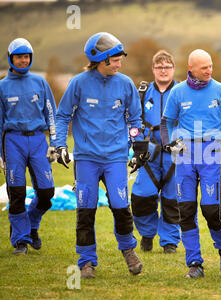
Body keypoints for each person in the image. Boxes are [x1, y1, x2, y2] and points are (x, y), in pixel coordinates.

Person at [55, 32, 144, 278]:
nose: (119, 64)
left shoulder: (125, 84)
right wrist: (60, 145)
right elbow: (63, 115)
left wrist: (138, 147)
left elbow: (135, 119)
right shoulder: (78, 83)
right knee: (86, 209)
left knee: (121, 207)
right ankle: (86, 262)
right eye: (114, 60)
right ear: (101, 60)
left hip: (116, 157)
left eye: (119, 60)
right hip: (86, 158)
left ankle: (128, 250)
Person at [160, 49, 221, 278]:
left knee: (210, 210)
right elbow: (166, 123)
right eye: (204, 67)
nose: (209, 70)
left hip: (211, 153)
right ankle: (195, 263)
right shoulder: (177, 92)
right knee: (185, 211)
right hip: (185, 155)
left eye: (211, 65)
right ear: (191, 69)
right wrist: (169, 144)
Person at [0, 38, 57, 254]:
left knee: (46, 192)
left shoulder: (40, 82)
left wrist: (55, 143)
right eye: (19, 57)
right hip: (12, 141)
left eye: (26, 57)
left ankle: (32, 224)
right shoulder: (2, 86)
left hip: (37, 141)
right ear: (10, 58)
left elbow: (51, 113)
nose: (23, 61)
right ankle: (21, 241)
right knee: (17, 193)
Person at [130, 50, 181, 254]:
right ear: (153, 69)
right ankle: (148, 233)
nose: (163, 70)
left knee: (173, 200)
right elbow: (132, 122)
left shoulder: (181, 92)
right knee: (142, 197)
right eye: (159, 66)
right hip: (148, 155)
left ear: (173, 69)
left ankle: (169, 241)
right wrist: (136, 145)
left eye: (167, 66)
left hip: (175, 155)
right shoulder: (142, 93)